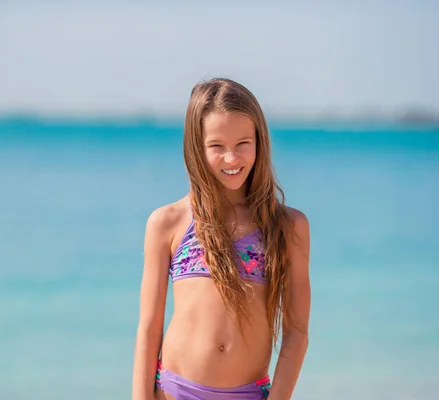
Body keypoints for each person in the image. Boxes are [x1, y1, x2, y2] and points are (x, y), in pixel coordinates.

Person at [132, 78, 311, 400]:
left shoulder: (287, 227)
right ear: (197, 148)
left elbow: (296, 333)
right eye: (217, 146)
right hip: (174, 392)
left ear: (260, 142)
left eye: (243, 143)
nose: (232, 158)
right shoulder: (168, 222)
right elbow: (148, 329)